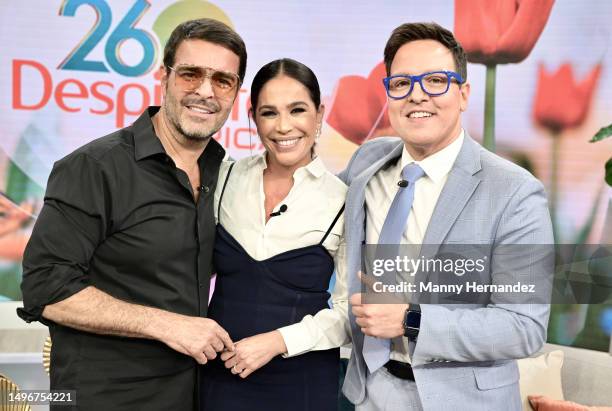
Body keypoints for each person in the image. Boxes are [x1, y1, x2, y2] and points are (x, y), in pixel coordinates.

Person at [18, 18, 247, 410]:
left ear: (236, 92)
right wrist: (166, 324)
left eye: (223, 80)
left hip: (192, 394)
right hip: (105, 398)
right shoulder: (95, 166)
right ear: (164, 78)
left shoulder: (223, 173)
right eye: (191, 74)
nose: (205, 91)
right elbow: (46, 287)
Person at [339, 22, 554, 410]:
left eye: (436, 80)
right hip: (370, 391)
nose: (417, 96)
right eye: (402, 83)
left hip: (461, 401)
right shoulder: (368, 163)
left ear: (464, 94)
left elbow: (524, 328)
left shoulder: (515, 192)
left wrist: (411, 320)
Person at [200, 58, 350, 411]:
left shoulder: (344, 200)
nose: (284, 127)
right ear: (253, 118)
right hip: (219, 375)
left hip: (301, 383)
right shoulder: (225, 178)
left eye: (297, 110)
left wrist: (276, 341)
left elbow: (348, 316)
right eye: (269, 113)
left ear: (319, 114)